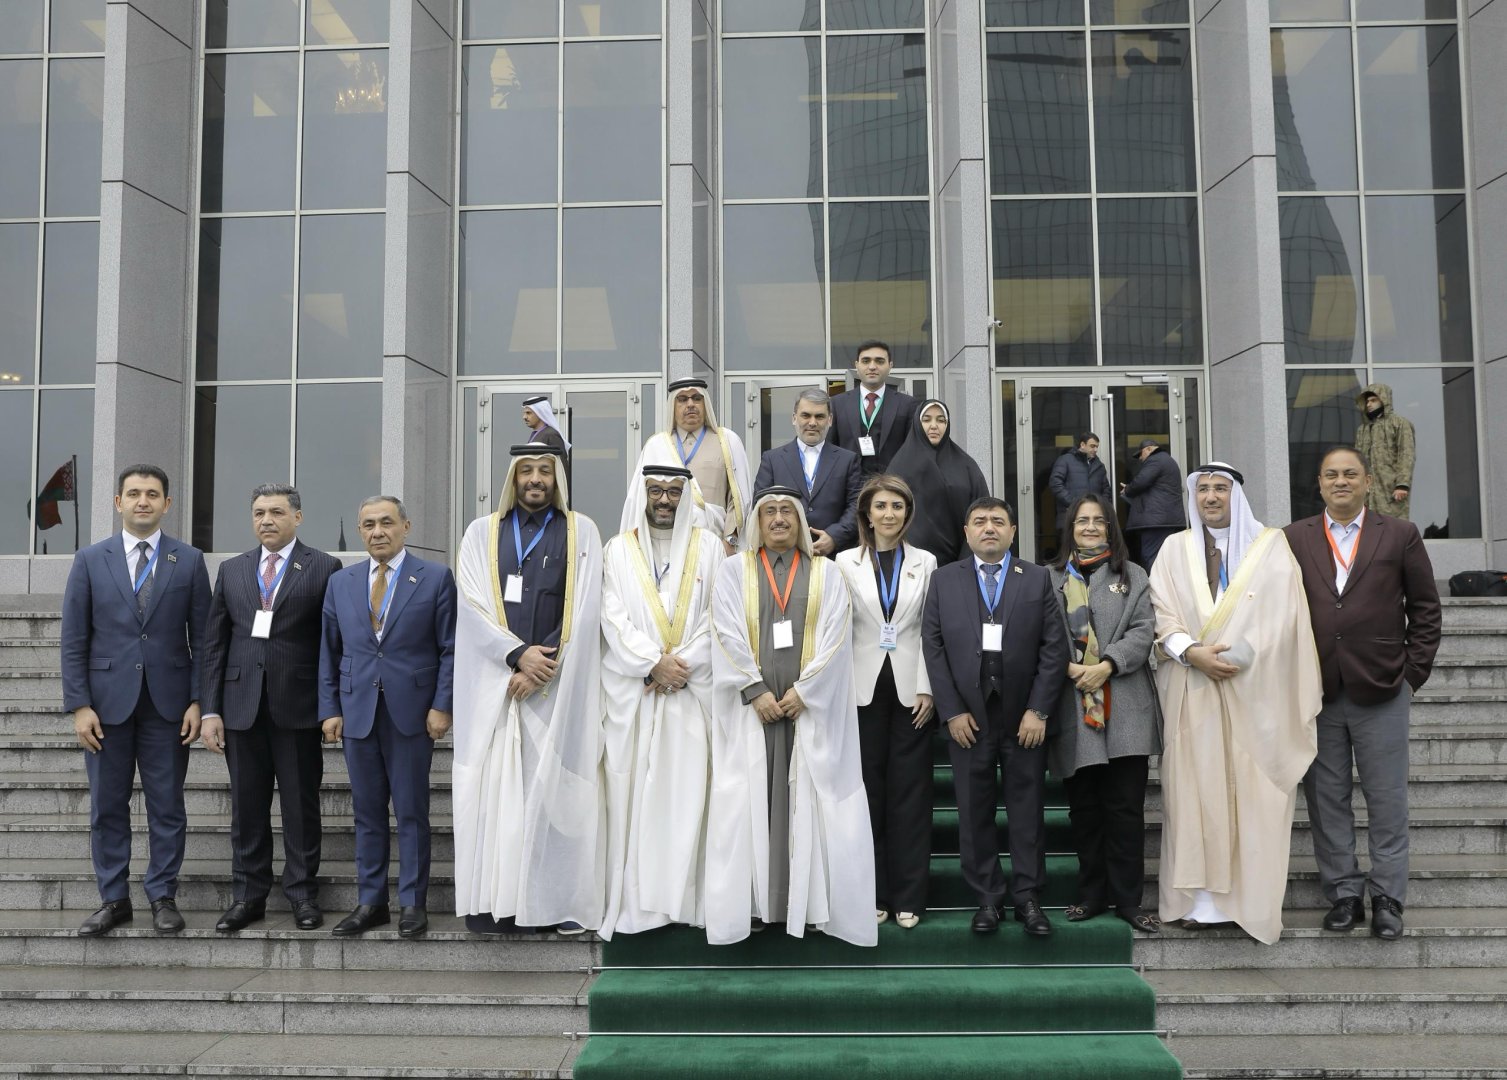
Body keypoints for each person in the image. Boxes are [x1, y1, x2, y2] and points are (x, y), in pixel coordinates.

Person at [1149, 463, 1321, 944]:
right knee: (1194, 796)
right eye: (1202, 489)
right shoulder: (1173, 549)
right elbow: (1160, 611)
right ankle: (1198, 904)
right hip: (1193, 689)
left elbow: (1286, 616)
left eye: (1220, 489)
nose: (1210, 497)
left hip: (1256, 692)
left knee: (1251, 795)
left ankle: (1248, 904)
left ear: (1236, 495)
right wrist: (1191, 652)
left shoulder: (1271, 548)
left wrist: (1238, 656)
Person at [706, 486, 875, 946]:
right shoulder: (731, 571)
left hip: (807, 712)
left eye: (787, 512)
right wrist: (754, 689)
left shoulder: (828, 572)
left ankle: (810, 904)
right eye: (769, 512)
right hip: (753, 713)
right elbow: (723, 631)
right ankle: (758, 903)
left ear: (801, 522)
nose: (779, 519)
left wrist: (805, 691)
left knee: (810, 802)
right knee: (751, 800)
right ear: (757, 522)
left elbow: (837, 636)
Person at [1285, 446, 1441, 940]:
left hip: (1382, 688)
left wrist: (1411, 675)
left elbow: (1425, 609)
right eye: (1331, 474)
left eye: (1350, 474)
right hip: (1319, 690)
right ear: (1320, 483)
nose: (1341, 482)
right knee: (1326, 799)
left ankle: (1389, 898)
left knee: (1387, 799)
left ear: (1367, 481)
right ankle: (1345, 895)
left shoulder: (1399, 534)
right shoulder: (1293, 538)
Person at [452, 445, 604, 936]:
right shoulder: (481, 533)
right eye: (526, 471)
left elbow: (586, 607)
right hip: (499, 690)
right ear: (512, 478)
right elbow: (472, 605)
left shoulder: (582, 530)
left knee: (554, 798)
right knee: (498, 798)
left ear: (557, 477)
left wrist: (544, 664)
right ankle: (497, 905)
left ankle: (553, 903)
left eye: (544, 471)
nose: (535, 479)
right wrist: (516, 656)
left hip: (555, 689)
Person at [62, 465, 212, 937]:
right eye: (133, 494)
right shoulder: (90, 559)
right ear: (118, 502)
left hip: (169, 707)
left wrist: (197, 700)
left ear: (168, 504)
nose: (142, 501)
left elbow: (205, 640)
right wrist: (79, 705)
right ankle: (114, 898)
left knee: (167, 805)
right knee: (108, 806)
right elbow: (73, 639)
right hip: (105, 707)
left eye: (152, 494)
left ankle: (162, 894)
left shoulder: (188, 560)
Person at [199, 484, 342, 933]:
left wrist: (329, 703)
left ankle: (302, 894)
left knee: (301, 806)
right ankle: (249, 896)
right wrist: (210, 710)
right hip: (241, 708)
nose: (266, 520)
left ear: (297, 518)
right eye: (259, 512)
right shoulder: (233, 569)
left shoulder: (324, 567)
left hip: (296, 706)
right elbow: (213, 644)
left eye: (277, 512)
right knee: (247, 808)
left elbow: (330, 643)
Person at [922, 497, 1067, 938]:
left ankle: (1027, 898)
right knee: (972, 809)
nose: (989, 528)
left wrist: (1038, 710)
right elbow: (934, 646)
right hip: (968, 718)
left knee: (1026, 810)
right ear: (966, 532)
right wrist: (951, 712)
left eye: (998, 522)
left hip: (1023, 718)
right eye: (980, 522)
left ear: (1013, 531)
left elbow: (1054, 648)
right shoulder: (944, 580)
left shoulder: (1037, 578)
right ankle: (987, 897)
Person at [319, 496, 455, 939]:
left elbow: (450, 648)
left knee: (412, 811)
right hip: (358, 711)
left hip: (412, 714)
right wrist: (330, 709)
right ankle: (371, 901)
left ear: (405, 527)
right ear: (360, 532)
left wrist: (442, 705)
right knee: (367, 812)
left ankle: (413, 903)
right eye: (368, 525)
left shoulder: (434, 578)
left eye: (386, 523)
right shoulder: (342, 582)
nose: (378, 531)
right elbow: (330, 652)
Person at [600, 465, 725, 937]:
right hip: (638, 694)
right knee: (637, 802)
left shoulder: (710, 547)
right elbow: (609, 616)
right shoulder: (618, 550)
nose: (665, 500)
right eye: (656, 491)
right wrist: (652, 662)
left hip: (692, 693)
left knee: (691, 795)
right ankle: (642, 904)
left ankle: (690, 901)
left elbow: (721, 615)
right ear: (643, 494)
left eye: (674, 492)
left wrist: (680, 665)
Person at [1047, 494, 1161, 935]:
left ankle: (1130, 901)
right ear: (1070, 528)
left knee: (1125, 810)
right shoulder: (1051, 577)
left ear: (1111, 527)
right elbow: (1044, 632)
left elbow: (1143, 629)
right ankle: (1092, 894)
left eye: (1098, 521)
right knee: (1085, 809)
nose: (1090, 527)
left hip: (1125, 702)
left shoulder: (1133, 575)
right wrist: (1073, 668)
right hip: (1073, 704)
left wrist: (1107, 664)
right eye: (1082, 521)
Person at [835, 476, 937, 929]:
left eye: (897, 505)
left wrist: (929, 687)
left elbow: (933, 632)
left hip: (912, 691)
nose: (889, 514)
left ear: (907, 512)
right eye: (881, 506)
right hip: (860, 690)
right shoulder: (842, 563)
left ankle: (909, 896)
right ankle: (872, 893)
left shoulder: (927, 562)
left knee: (910, 795)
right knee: (868, 794)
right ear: (867, 514)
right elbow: (836, 631)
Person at [626, 378, 752, 547]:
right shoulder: (656, 444)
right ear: (673, 405)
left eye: (697, 398)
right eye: (683, 399)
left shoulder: (728, 440)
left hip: (714, 542)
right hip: (665, 543)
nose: (690, 404)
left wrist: (730, 541)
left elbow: (739, 499)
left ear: (705, 403)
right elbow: (639, 500)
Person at [754, 387, 862, 556]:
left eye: (819, 416)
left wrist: (834, 537)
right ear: (794, 418)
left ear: (830, 420)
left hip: (833, 555)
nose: (812, 422)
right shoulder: (772, 459)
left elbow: (856, 506)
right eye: (806, 415)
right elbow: (760, 505)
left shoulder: (848, 460)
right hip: (783, 554)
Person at [886, 399, 990, 565]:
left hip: (959, 562)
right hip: (910, 564)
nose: (934, 426)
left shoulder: (966, 465)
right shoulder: (900, 465)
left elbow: (983, 511)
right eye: (926, 420)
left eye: (941, 420)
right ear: (917, 424)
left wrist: (967, 559)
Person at [826, 340, 919, 476]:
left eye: (879, 361)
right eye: (866, 361)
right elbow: (830, 448)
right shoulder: (837, 403)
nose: (872, 366)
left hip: (892, 486)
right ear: (857, 365)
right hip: (849, 486)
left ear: (890, 365)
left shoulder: (908, 404)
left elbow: (912, 451)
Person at [1119, 439, 1184, 569]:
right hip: (1165, 519)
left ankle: (1155, 588)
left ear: (1149, 449)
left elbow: (1141, 481)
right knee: (1164, 558)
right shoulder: (1166, 460)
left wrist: (1127, 489)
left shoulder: (1155, 460)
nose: (1141, 459)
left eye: (1141, 454)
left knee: (1152, 557)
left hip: (1157, 521)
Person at [1353, 384, 1415, 520]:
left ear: (1384, 400)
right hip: (1367, 492)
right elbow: (1356, 461)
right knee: (1367, 529)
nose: (1369, 404)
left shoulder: (1399, 423)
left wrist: (1402, 484)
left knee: (1393, 528)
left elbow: (1406, 454)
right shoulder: (1362, 429)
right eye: (1367, 401)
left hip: (1390, 488)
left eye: (1373, 400)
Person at [1048, 433, 1114, 536]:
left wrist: (1101, 507)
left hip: (1093, 520)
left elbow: (1106, 489)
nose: (1096, 449)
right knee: (1069, 551)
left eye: (1097, 446)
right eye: (1092, 446)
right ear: (1082, 445)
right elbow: (1055, 483)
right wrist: (1073, 503)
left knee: (1090, 550)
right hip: (1070, 517)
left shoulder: (1099, 465)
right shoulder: (1065, 460)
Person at [522, 395, 571, 493]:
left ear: (540, 413)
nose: (524, 417)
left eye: (528, 413)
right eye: (524, 413)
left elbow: (561, 467)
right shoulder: (537, 434)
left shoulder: (551, 435)